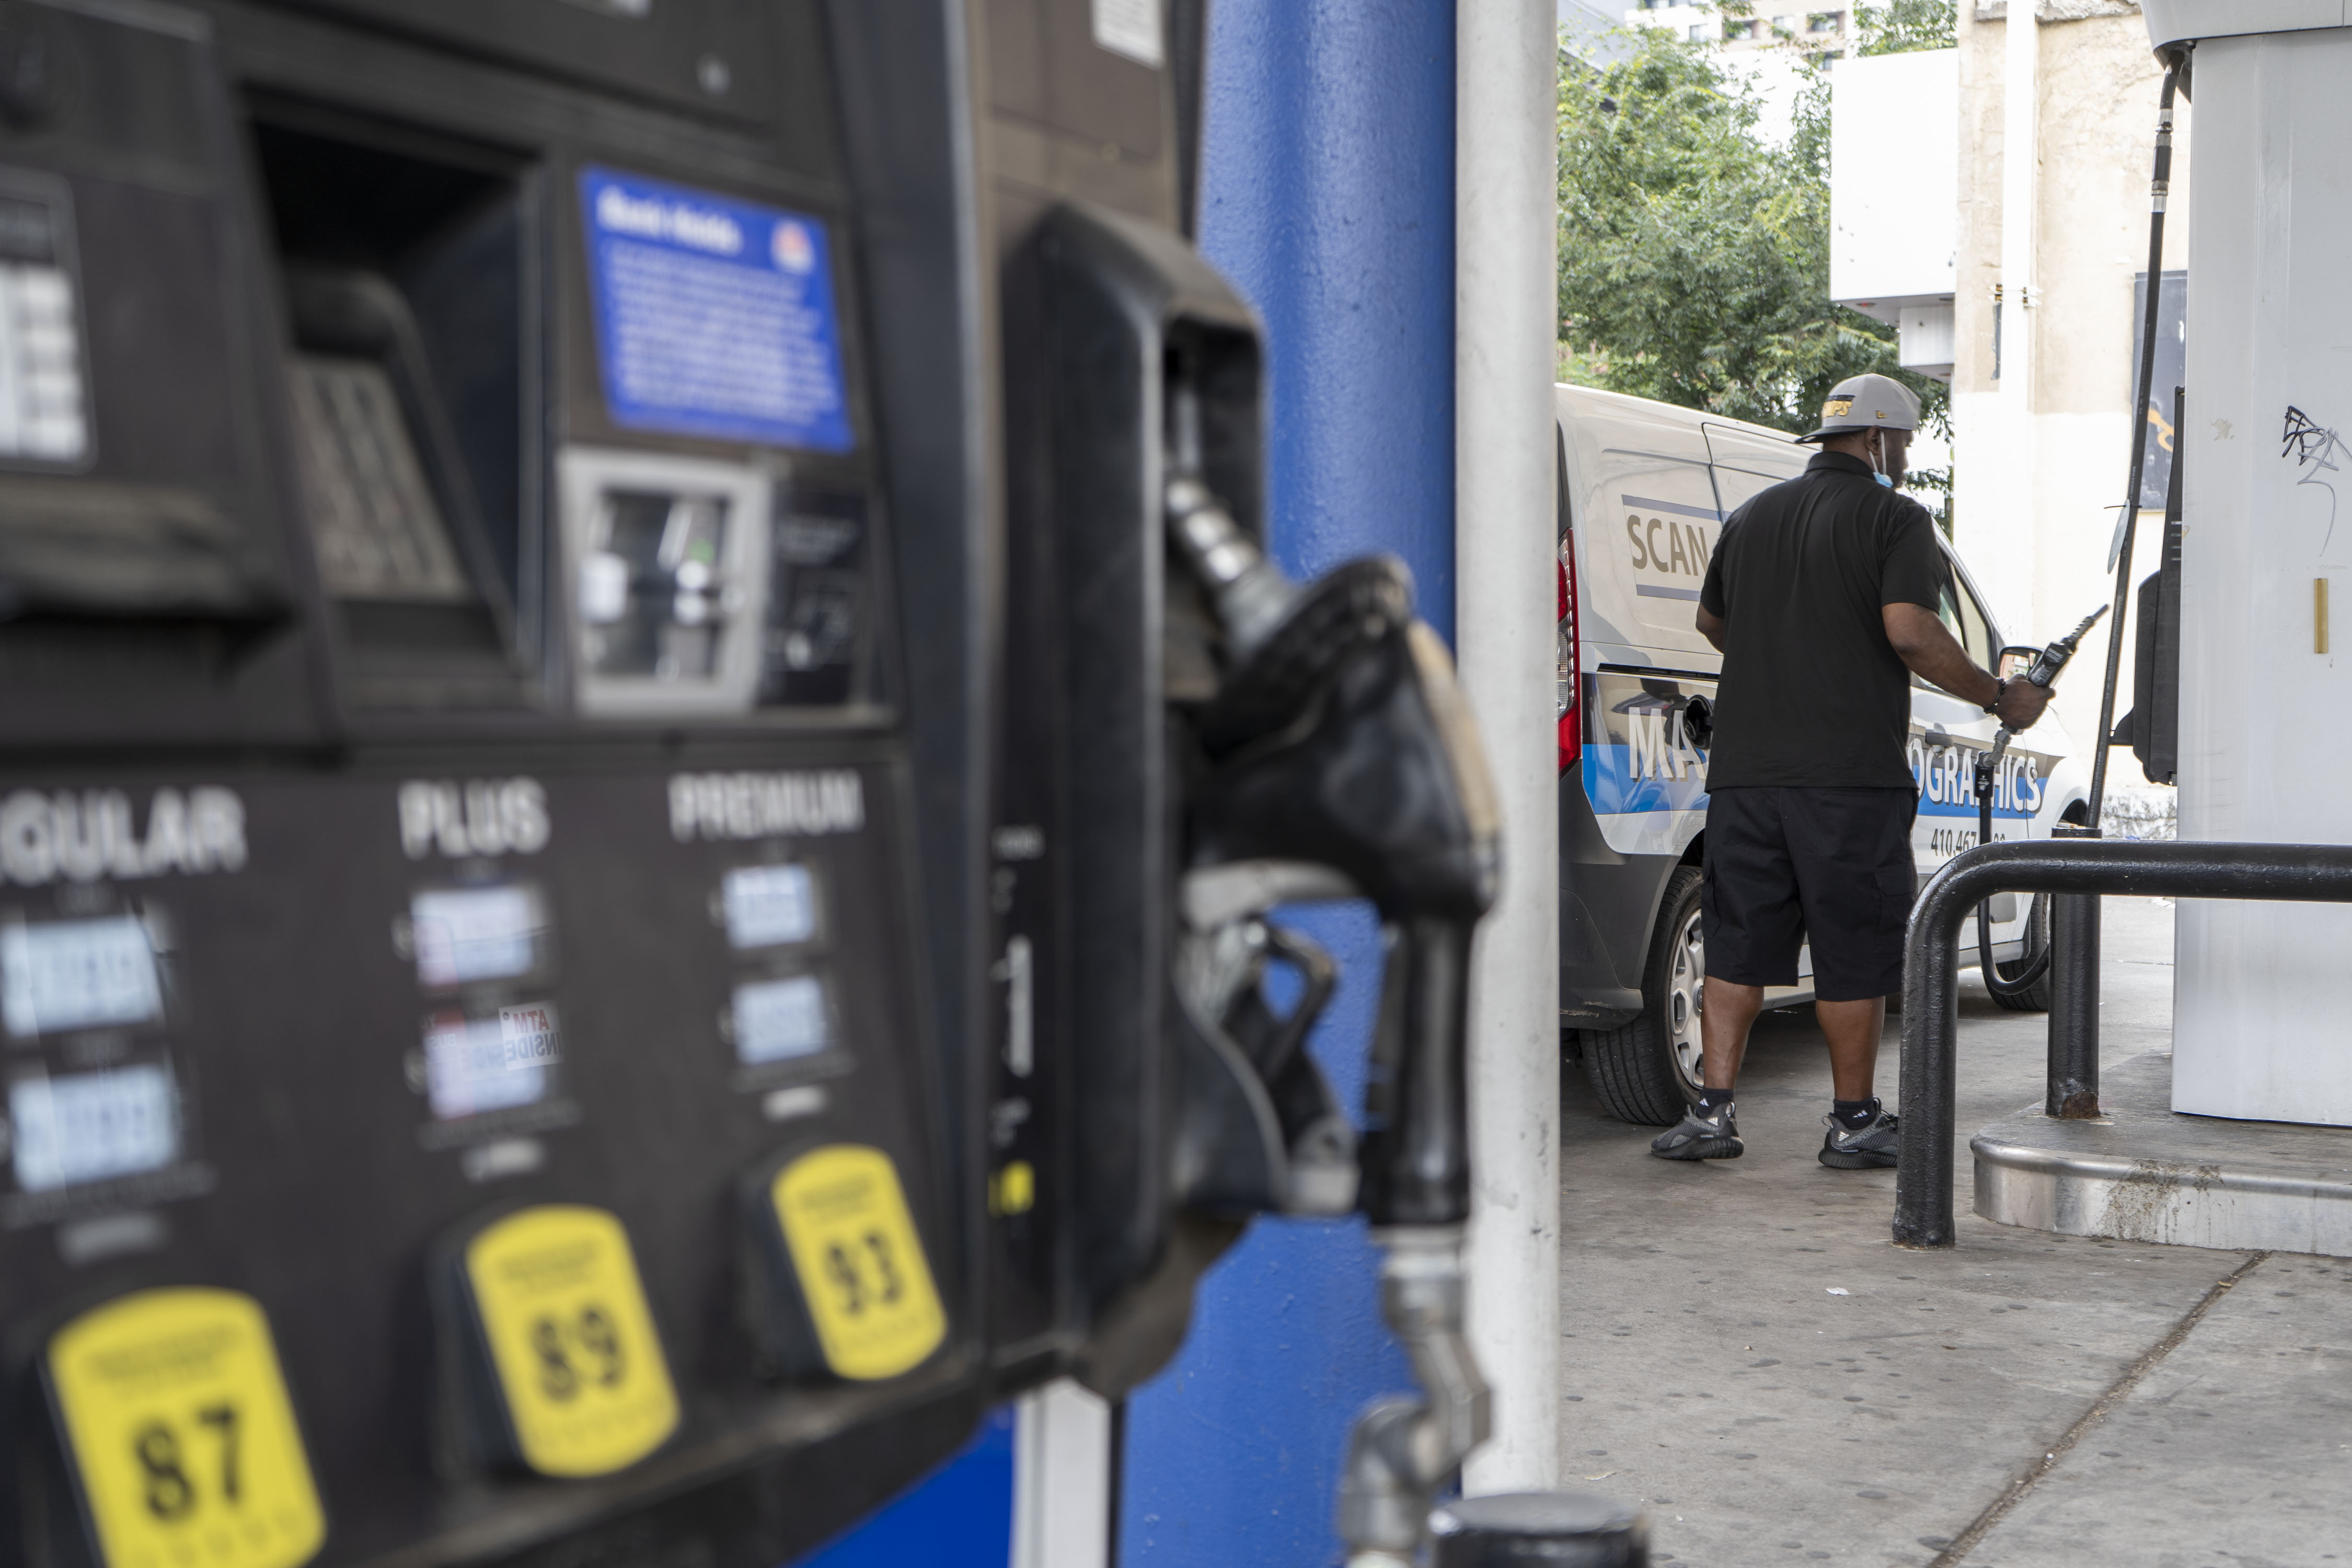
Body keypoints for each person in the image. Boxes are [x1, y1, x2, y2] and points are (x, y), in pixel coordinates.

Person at [1649, 373, 2049, 1168]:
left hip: (1746, 779)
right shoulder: (1896, 518)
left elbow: (1711, 622)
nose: (1903, 456)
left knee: (1735, 945)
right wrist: (1997, 694)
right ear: (1875, 440)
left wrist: (1784, 656)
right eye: (1900, 442)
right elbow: (1910, 630)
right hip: (1847, 780)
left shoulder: (1752, 517)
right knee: (1851, 948)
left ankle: (1712, 1114)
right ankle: (1854, 1122)